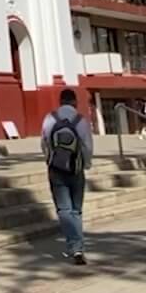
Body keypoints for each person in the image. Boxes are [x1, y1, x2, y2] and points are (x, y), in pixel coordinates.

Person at [41, 88, 93, 266]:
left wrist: (50, 160)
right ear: (75, 102)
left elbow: (44, 143)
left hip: (56, 169)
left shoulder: (50, 119)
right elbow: (87, 146)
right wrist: (86, 164)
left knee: (64, 210)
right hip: (76, 169)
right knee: (76, 210)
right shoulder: (81, 121)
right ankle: (78, 247)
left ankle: (74, 246)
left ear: (60, 101)